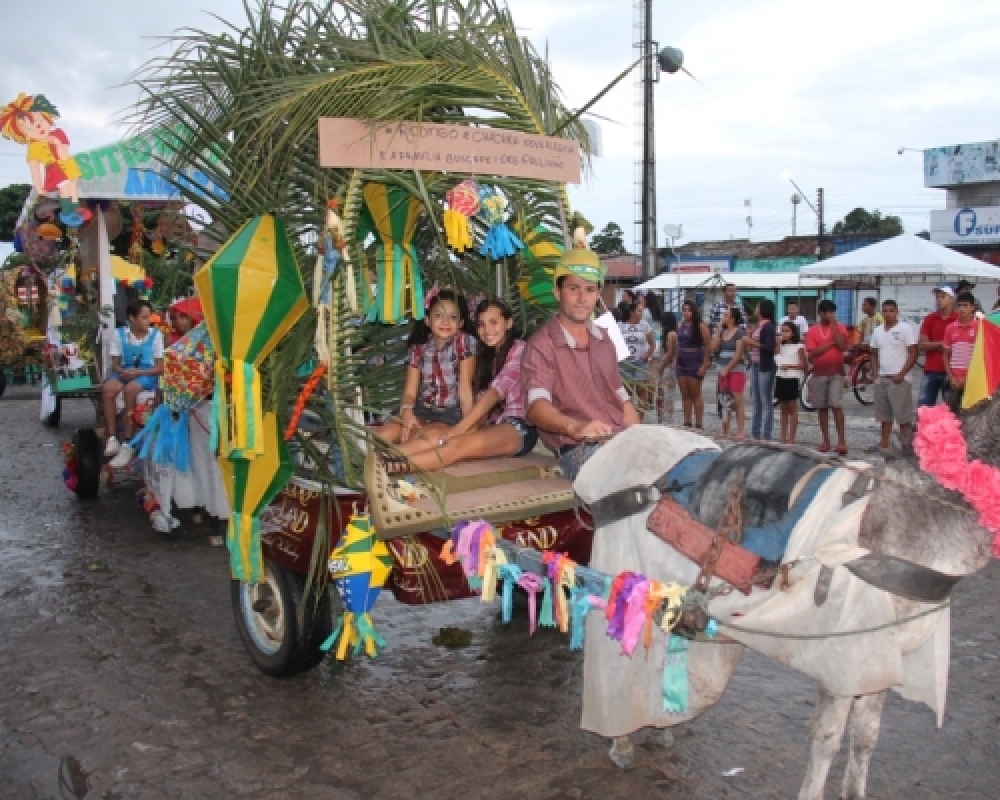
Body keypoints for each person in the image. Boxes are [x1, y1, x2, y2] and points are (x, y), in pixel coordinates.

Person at [522, 248, 640, 480]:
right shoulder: (541, 345)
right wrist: (576, 428)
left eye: (589, 290)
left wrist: (641, 438)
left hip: (621, 441)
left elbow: (621, 399)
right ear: (558, 292)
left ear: (597, 295)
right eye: (573, 288)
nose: (581, 298)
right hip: (579, 449)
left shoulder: (605, 338)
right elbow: (536, 407)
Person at [392, 298, 537, 471]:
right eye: (481, 324)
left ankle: (388, 467)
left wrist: (460, 428)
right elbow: (478, 400)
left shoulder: (521, 349)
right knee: (437, 437)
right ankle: (380, 458)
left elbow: (494, 394)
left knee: (455, 444)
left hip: (518, 426)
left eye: (494, 322)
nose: (487, 330)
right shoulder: (485, 356)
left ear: (509, 323)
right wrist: (468, 427)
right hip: (491, 425)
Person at [377, 288, 477, 445]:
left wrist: (469, 427)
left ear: (461, 323)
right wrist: (407, 412)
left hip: (451, 414)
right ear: (427, 320)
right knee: (383, 435)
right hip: (421, 409)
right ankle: (373, 464)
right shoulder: (418, 348)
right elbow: (409, 392)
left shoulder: (464, 342)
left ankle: (390, 463)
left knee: (424, 439)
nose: (445, 322)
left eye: (452, 317)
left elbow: (465, 388)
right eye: (438, 316)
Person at [102, 300, 165, 466]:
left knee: (130, 391)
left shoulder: (156, 335)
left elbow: (159, 367)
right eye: (144, 317)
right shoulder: (119, 334)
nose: (148, 321)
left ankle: (128, 441)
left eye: (149, 317)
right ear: (132, 318)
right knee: (108, 388)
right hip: (124, 372)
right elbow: (115, 363)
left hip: (146, 374)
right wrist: (122, 371)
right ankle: (112, 437)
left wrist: (139, 372)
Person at [868, 299, 918, 454]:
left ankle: (907, 446)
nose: (888, 313)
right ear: (881, 313)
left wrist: (902, 373)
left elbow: (913, 353)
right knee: (884, 416)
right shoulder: (877, 331)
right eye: (885, 311)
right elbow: (873, 353)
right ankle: (884, 443)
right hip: (882, 377)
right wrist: (875, 374)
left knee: (903, 417)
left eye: (891, 310)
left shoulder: (905, 329)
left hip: (900, 379)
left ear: (897, 312)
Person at [804, 298, 849, 454]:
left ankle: (842, 442)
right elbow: (812, 353)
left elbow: (842, 346)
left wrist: (835, 327)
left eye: (832, 312)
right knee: (822, 408)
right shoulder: (813, 331)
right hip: (819, 372)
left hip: (836, 372)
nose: (830, 315)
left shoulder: (840, 327)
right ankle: (826, 441)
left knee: (836, 405)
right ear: (821, 313)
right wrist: (830, 344)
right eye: (827, 312)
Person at [743, 299, 777, 440]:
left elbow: (769, 347)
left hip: (765, 366)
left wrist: (751, 342)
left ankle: (766, 433)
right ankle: (755, 432)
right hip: (756, 365)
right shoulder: (759, 326)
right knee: (756, 399)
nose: (756, 308)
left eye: (758, 306)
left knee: (765, 399)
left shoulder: (768, 327)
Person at [918, 286, 958, 407]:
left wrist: (934, 344)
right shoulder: (930, 318)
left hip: (951, 372)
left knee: (950, 409)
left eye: (943, 297)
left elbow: (958, 346)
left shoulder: (957, 319)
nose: (939, 300)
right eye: (938, 297)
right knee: (924, 408)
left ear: (951, 299)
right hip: (931, 370)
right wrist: (944, 343)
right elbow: (922, 344)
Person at [943, 291, 981, 412]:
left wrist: (967, 378)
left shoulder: (979, 327)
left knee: (971, 415)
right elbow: (945, 355)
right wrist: (951, 377)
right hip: (953, 380)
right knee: (951, 415)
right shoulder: (950, 328)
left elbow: (980, 357)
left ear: (972, 307)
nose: (962, 309)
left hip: (972, 381)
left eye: (965, 305)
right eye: (959, 305)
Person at [713, 306, 747, 439]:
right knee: (724, 400)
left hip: (736, 369)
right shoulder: (723, 333)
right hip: (722, 369)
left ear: (732, 318)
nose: (723, 318)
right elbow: (713, 347)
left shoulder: (740, 333)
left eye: (726, 315)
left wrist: (728, 368)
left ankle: (740, 431)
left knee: (737, 401)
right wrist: (718, 330)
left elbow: (739, 354)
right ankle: (725, 430)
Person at [676, 299, 711, 429]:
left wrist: (704, 364)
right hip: (682, 359)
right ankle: (687, 421)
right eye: (684, 310)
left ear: (693, 311)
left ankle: (699, 422)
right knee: (684, 394)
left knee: (695, 393)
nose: (686, 313)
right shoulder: (680, 325)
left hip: (695, 359)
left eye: (689, 310)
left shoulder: (700, 326)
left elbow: (708, 346)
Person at [775, 321, 807, 444]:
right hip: (781, 377)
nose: (784, 333)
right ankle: (783, 435)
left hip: (792, 378)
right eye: (782, 330)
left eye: (787, 331)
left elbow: (804, 365)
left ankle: (792, 437)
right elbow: (777, 359)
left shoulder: (799, 347)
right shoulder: (781, 346)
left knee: (792, 408)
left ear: (793, 333)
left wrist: (790, 366)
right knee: (783, 408)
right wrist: (778, 344)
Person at [618, 302, 655, 382]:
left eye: (642, 311)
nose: (641, 313)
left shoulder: (645, 325)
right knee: (627, 390)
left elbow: (652, 344)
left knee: (640, 388)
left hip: (640, 363)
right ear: (632, 312)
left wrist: (646, 356)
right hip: (625, 363)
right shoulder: (620, 325)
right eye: (639, 311)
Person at [657, 311, 678, 422]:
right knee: (662, 396)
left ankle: (667, 421)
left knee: (668, 396)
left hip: (667, 368)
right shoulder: (667, 333)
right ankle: (662, 419)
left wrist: (661, 366)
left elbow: (670, 353)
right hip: (665, 367)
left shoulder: (671, 334)